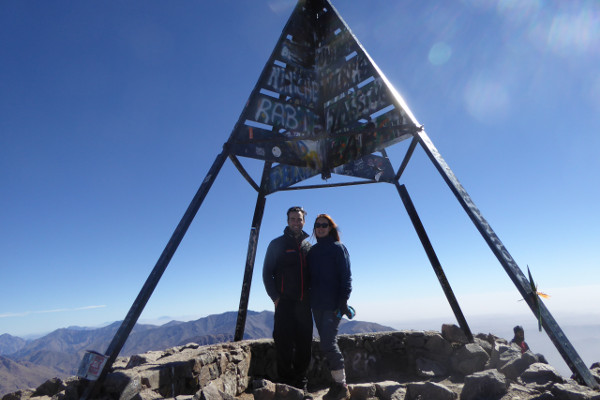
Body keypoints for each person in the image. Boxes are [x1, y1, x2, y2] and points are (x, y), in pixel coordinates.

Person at [262, 206, 313, 393]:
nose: (296, 222)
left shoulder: (308, 246)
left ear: (304, 221)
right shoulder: (276, 244)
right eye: (292, 219)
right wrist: (275, 298)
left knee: (304, 345)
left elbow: (314, 275)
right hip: (284, 304)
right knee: (283, 343)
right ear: (287, 221)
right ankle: (285, 385)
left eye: (299, 219)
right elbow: (267, 273)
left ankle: (302, 384)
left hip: (304, 304)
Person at [307, 214, 352, 400]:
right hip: (316, 305)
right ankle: (337, 384)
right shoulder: (313, 251)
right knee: (327, 342)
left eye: (324, 225)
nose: (320, 228)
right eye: (317, 225)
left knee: (328, 343)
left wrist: (343, 302)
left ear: (331, 227)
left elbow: (346, 277)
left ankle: (341, 385)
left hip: (333, 306)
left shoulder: (338, 248)